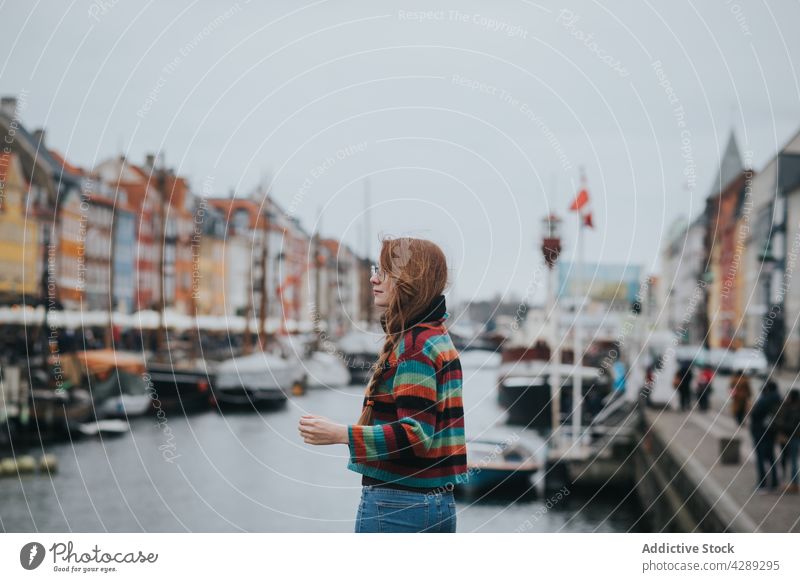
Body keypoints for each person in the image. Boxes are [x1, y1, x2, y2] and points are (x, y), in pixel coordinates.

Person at [297, 237, 467, 533]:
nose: (373, 278)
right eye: (377, 269)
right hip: (433, 504)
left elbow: (415, 434)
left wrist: (340, 434)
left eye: (385, 273)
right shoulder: (435, 336)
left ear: (410, 281)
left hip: (398, 505)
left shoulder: (415, 345)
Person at [750, 380, 781, 493]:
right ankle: (774, 483)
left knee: (760, 459)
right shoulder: (778, 400)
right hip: (771, 433)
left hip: (760, 433)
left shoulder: (764, 400)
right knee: (771, 458)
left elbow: (754, 414)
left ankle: (762, 484)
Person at [775, 389, 800, 494]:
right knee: (788, 460)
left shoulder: (793, 409)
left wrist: (780, 425)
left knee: (791, 461)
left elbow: (790, 426)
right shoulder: (788, 406)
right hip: (791, 438)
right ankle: (789, 482)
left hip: (790, 438)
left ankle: (793, 483)